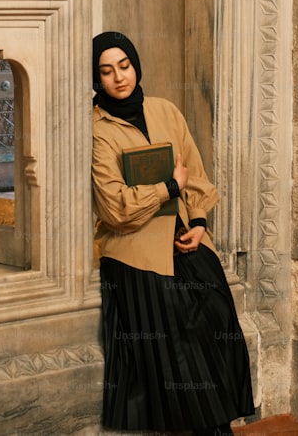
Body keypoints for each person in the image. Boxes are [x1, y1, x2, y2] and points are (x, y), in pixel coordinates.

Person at [91, 31, 254, 435]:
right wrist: (168, 188)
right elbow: (115, 208)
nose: (119, 78)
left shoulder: (165, 110)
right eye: (107, 71)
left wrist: (198, 223)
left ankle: (218, 425)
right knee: (178, 331)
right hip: (133, 252)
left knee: (216, 310)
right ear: (97, 79)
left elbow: (194, 174)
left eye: (124, 66)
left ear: (136, 64)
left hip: (184, 238)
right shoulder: (96, 131)